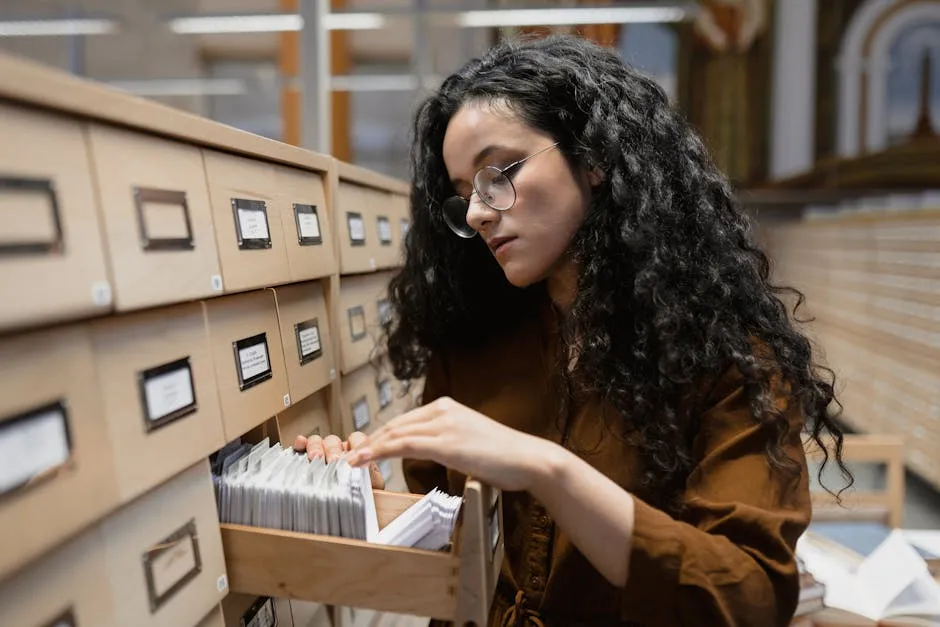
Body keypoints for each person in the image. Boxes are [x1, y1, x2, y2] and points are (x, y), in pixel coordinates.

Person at [295, 35, 851, 627]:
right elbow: (453, 545)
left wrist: (548, 470)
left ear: (593, 157)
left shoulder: (727, 359)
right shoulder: (472, 343)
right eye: (463, 197)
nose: (480, 212)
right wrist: (364, 501)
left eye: (497, 173)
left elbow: (748, 595)